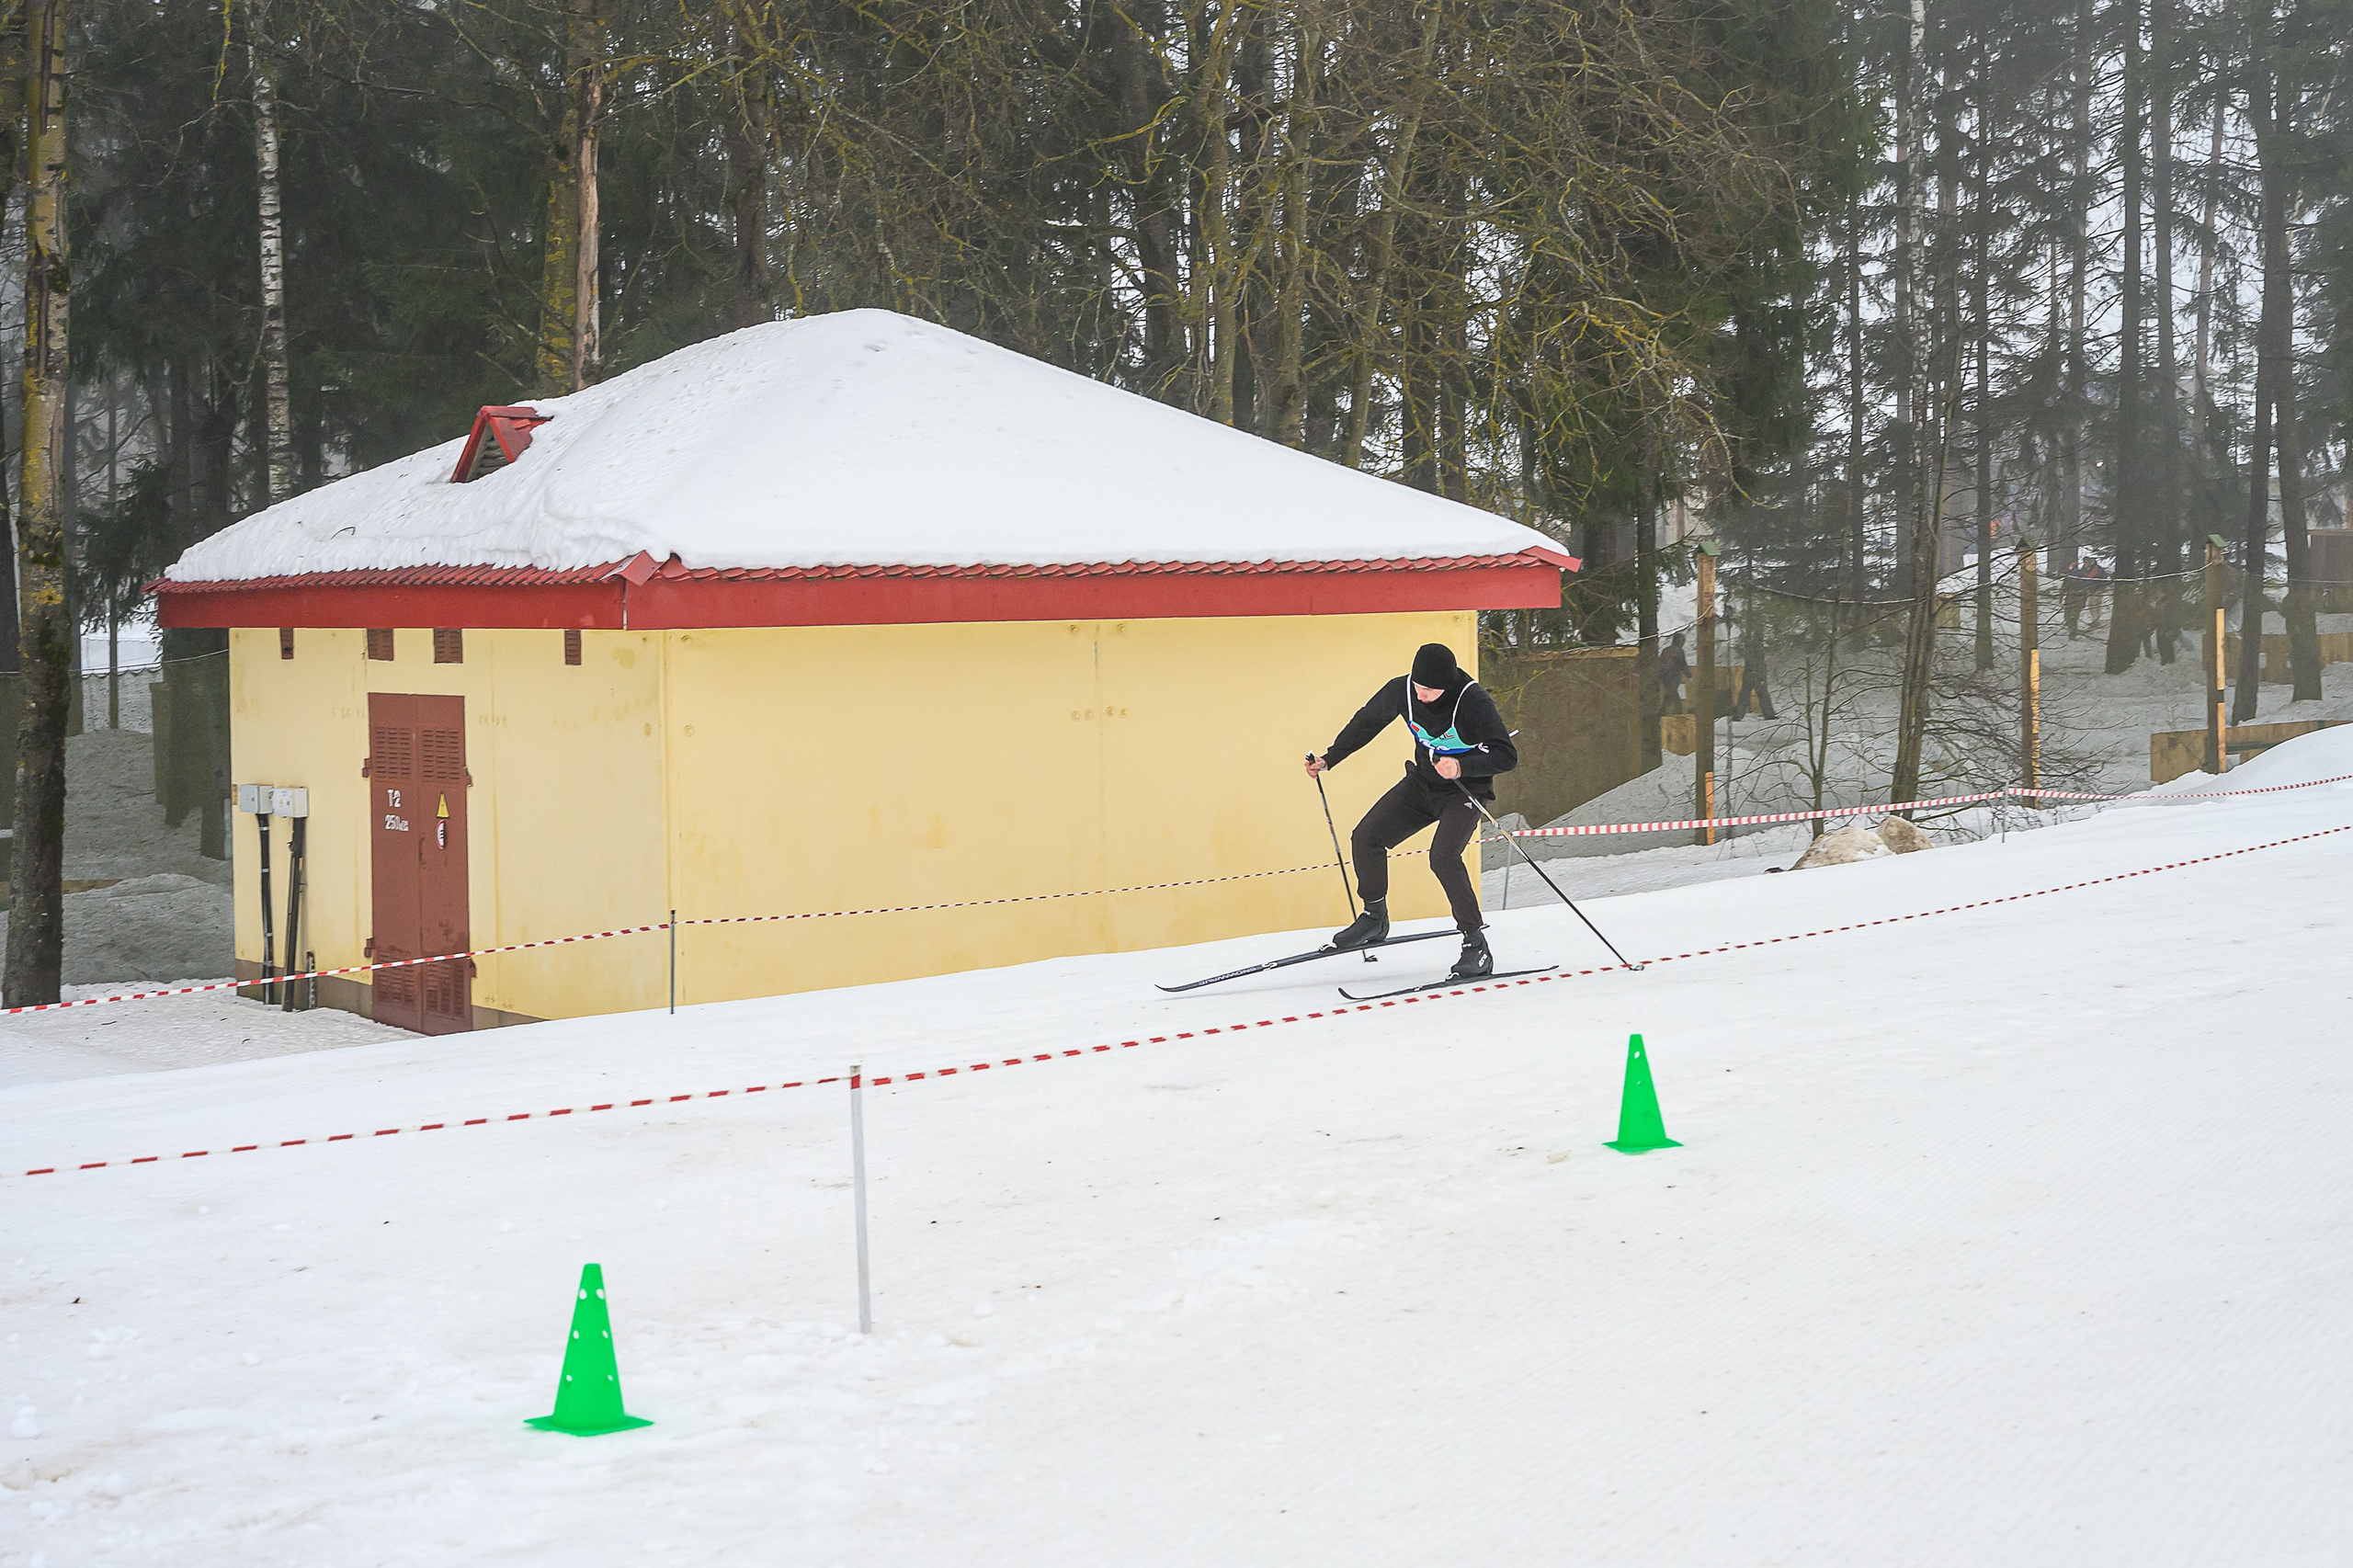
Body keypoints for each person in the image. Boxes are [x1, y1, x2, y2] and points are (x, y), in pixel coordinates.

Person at [1303, 642, 1518, 980]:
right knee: (1366, 838)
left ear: (1447, 685)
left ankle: (1476, 945)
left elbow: (1507, 755)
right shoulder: (1402, 690)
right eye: (1417, 687)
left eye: (1428, 690)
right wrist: (1330, 758)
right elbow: (1367, 722)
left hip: (1465, 790)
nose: (1420, 696)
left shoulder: (1472, 701)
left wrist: (1461, 767)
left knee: (1443, 857)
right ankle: (1375, 918)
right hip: (1422, 785)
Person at [2062, 555, 2104, 639]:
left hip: (2097, 588)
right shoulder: (2083, 570)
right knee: (2090, 604)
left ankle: (2096, 620)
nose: (2085, 563)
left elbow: (2094, 580)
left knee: (2094, 603)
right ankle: (2094, 620)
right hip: (2086, 591)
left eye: (2086, 562)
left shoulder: (2097, 569)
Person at [1658, 631, 1691, 714]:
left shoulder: (1665, 650)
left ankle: (1678, 710)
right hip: (1673, 675)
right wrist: (1689, 675)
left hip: (1664, 676)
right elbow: (1683, 664)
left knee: (1672, 692)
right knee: (1671, 693)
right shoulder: (1679, 651)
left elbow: (1660, 663)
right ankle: (1663, 712)